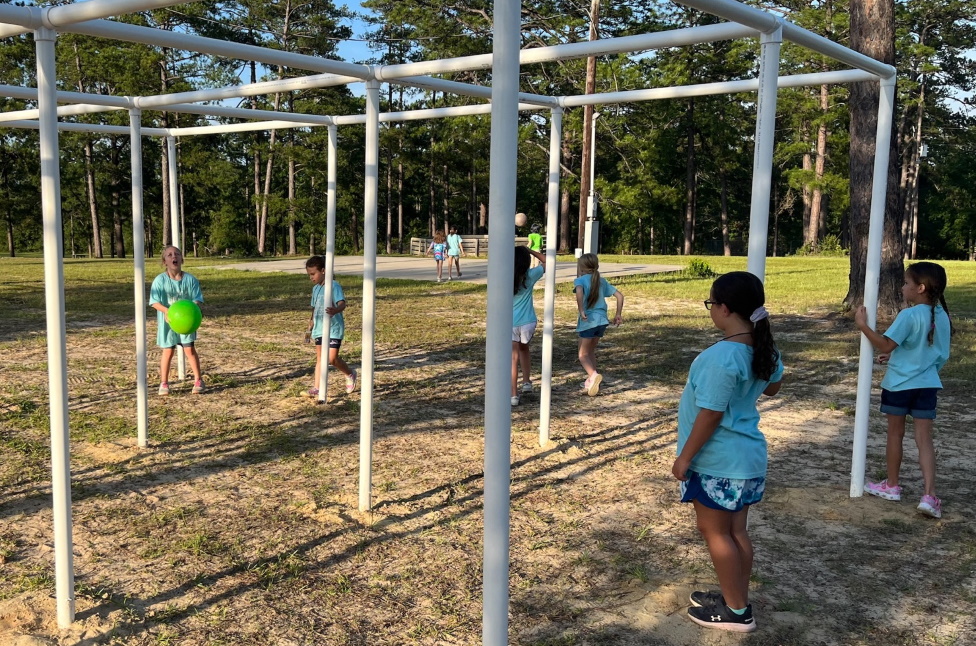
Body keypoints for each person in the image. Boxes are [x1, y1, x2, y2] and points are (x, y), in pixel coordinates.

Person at [672, 271, 784, 633]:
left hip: (718, 461)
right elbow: (773, 387)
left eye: (710, 303)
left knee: (715, 533)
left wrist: (685, 457)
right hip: (748, 459)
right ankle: (735, 596)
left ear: (723, 308)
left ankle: (736, 613)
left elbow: (710, 413)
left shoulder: (720, 357)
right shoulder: (762, 348)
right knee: (737, 533)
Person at [854, 261, 952, 519]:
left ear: (920, 288)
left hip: (898, 385)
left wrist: (864, 326)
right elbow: (935, 353)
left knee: (895, 435)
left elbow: (885, 345)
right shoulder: (941, 316)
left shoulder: (909, 315)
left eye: (907, 283)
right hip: (927, 385)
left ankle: (892, 485)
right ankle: (930, 496)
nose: (902, 287)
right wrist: (902, 358)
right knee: (924, 440)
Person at [149, 245, 205, 395]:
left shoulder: (191, 280)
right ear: (164, 261)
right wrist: (167, 311)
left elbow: (197, 299)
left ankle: (198, 379)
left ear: (182, 259)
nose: (174, 257)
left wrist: (191, 310)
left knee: (189, 349)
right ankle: (164, 383)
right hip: (169, 322)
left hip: (186, 322)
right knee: (168, 351)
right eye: (169, 255)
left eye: (177, 254)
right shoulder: (160, 281)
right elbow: (154, 302)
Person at [305, 256, 357, 399]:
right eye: (309, 274)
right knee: (320, 358)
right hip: (319, 328)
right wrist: (310, 323)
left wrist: (336, 310)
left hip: (334, 328)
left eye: (313, 274)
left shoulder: (334, 285)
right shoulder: (315, 289)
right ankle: (317, 387)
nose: (311, 277)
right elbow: (314, 308)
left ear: (323, 271)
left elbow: (342, 303)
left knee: (332, 359)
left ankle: (349, 374)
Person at [574, 253, 624, 396]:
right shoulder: (601, 281)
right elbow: (620, 296)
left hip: (588, 321)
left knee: (582, 354)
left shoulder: (580, 281)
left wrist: (581, 309)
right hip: (602, 321)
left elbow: (578, 291)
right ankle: (592, 381)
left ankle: (594, 375)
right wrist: (618, 314)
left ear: (582, 267)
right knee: (590, 351)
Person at [511, 245, 547, 406]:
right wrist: (531, 250)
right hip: (528, 322)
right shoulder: (530, 275)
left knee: (513, 358)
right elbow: (548, 262)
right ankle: (526, 382)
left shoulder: (506, 276)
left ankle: (513, 394)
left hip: (509, 323)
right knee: (524, 349)